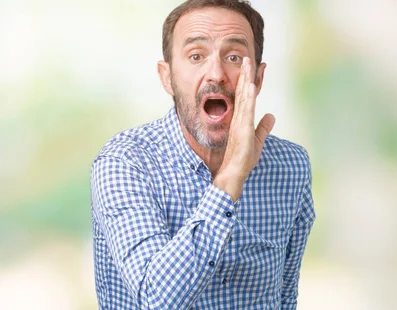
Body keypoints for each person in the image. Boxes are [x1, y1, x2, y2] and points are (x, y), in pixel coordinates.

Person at [90, 0, 316, 309]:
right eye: (196, 56)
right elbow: (156, 300)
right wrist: (231, 177)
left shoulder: (291, 167)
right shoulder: (123, 164)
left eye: (234, 57)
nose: (216, 74)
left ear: (258, 79)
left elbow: (285, 297)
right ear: (166, 76)